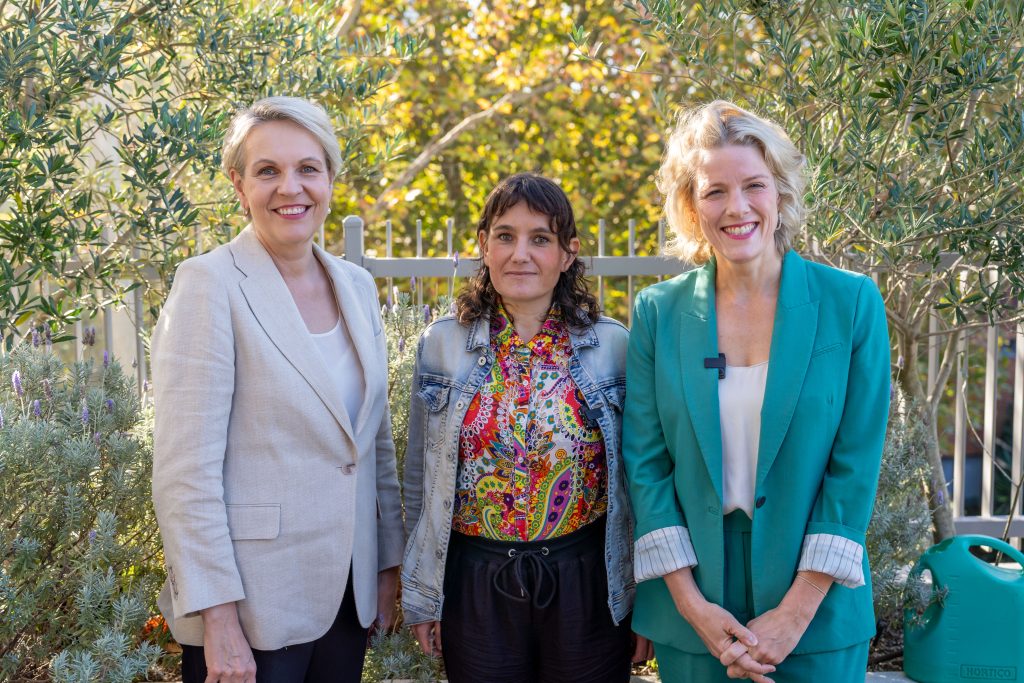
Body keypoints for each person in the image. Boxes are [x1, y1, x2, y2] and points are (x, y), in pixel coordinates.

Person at [622, 101, 890, 682]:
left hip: (815, 610)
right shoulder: (657, 314)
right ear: (692, 207)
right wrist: (692, 607)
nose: (736, 207)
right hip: (694, 610)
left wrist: (794, 613)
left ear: (781, 194)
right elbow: (645, 465)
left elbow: (855, 464)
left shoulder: (851, 305)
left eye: (754, 186)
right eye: (715, 191)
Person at [151, 96, 403, 683]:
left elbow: (374, 443)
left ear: (330, 178)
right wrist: (218, 619)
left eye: (307, 168)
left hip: (347, 594)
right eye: (268, 171)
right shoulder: (209, 285)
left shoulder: (357, 286)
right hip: (252, 605)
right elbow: (185, 473)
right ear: (238, 185)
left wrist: (386, 563)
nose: (291, 187)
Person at [401, 173, 652, 682]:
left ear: (567, 253)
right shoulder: (441, 346)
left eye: (540, 238)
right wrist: (423, 591)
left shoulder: (613, 347)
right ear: (484, 247)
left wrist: (642, 594)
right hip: (476, 583)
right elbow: (419, 482)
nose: (521, 253)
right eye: (505, 236)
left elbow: (639, 478)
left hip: (586, 580)